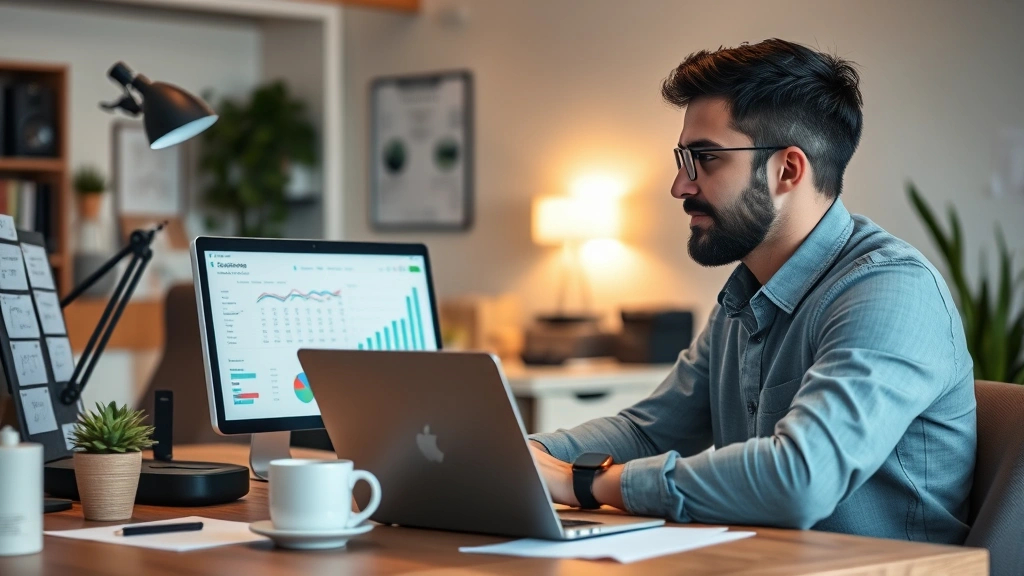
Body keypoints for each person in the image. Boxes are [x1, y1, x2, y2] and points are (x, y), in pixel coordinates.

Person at [528, 38, 976, 544]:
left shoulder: (892, 292)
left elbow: (800, 479)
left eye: (706, 159)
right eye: (682, 158)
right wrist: (513, 457)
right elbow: (648, 433)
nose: (679, 185)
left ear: (787, 170)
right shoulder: (743, 298)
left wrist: (581, 482)